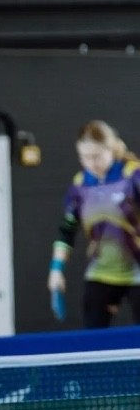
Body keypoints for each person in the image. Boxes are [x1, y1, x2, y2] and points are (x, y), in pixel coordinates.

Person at [47, 119, 140, 329]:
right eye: (85, 157)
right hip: (101, 272)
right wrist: (56, 270)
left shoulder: (132, 175)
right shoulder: (80, 185)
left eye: (97, 156)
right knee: (94, 337)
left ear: (111, 149)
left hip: (137, 267)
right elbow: (67, 231)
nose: (91, 163)